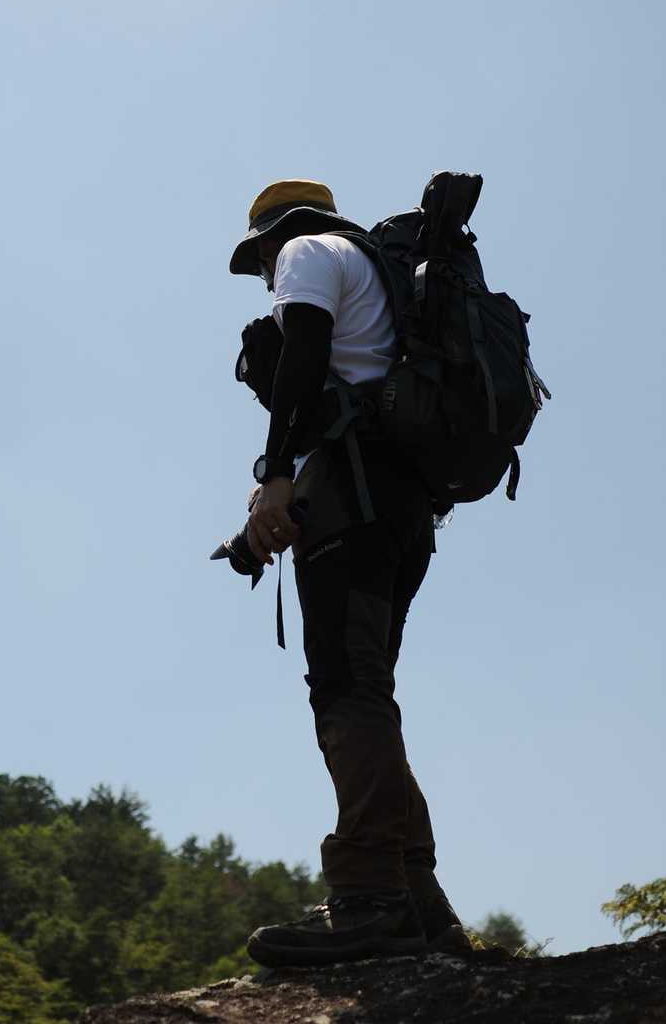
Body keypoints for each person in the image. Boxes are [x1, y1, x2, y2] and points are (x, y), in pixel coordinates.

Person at [227, 180, 471, 966]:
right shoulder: (382, 280)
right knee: (367, 691)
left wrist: (274, 471)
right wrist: (265, 511)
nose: (263, 275)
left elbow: (301, 352)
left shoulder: (306, 252)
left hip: (353, 502)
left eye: (257, 260)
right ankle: (417, 901)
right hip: (400, 508)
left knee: (346, 693)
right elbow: (347, 399)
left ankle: (371, 896)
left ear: (274, 237)